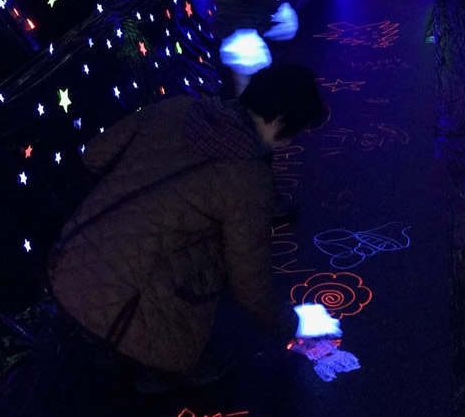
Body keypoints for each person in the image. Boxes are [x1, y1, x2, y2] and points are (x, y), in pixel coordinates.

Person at [47, 64, 326, 391]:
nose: (288, 144)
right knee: (219, 253)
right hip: (117, 314)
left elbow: (94, 155)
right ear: (278, 121)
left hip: (65, 268)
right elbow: (250, 285)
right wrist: (292, 324)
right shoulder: (249, 180)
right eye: (293, 133)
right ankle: (152, 361)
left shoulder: (176, 107)